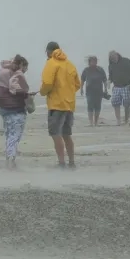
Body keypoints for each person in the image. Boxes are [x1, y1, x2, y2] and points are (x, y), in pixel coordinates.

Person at [39, 41, 81, 169]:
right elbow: (77, 84)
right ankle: (72, 162)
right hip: (69, 105)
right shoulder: (70, 64)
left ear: (48, 51)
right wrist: (67, 93)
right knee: (67, 134)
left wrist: (42, 92)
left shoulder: (51, 63)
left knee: (55, 133)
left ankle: (61, 163)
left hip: (56, 105)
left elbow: (47, 83)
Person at [0, 55, 34, 171]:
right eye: (25, 69)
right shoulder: (16, 74)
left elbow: (5, 91)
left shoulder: (2, 72)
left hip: (4, 109)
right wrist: (27, 95)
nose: (24, 72)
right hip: (16, 109)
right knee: (15, 136)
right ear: (22, 65)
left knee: (9, 135)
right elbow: (16, 91)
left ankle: (9, 160)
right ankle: (11, 162)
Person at [107, 50, 130, 125]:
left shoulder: (126, 61)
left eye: (113, 57)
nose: (113, 59)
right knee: (115, 103)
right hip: (116, 87)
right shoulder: (111, 65)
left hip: (126, 86)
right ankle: (118, 120)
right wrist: (108, 82)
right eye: (111, 58)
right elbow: (110, 76)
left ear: (117, 55)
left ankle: (126, 120)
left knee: (127, 104)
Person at [80, 55, 108, 126]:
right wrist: (81, 89)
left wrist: (105, 89)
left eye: (95, 61)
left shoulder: (100, 70)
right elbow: (82, 80)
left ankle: (96, 122)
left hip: (99, 91)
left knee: (98, 107)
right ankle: (91, 122)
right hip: (89, 91)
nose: (94, 63)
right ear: (89, 62)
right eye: (92, 61)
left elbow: (105, 80)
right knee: (90, 106)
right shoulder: (86, 70)